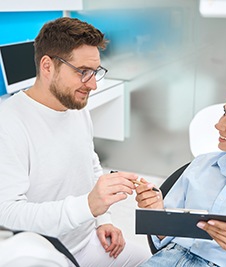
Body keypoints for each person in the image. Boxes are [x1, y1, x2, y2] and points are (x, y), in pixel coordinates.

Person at [0, 17, 150, 267]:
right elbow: (9, 215)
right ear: (47, 66)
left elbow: (89, 162)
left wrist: (103, 219)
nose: (92, 84)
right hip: (45, 251)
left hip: (88, 240)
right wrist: (88, 206)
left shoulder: (75, 105)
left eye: (95, 72)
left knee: (154, 261)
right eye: (83, 72)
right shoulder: (9, 123)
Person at [135, 81, 226, 267]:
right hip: (167, 259)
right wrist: (156, 210)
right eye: (224, 113)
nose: (219, 125)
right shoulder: (202, 165)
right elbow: (163, 238)